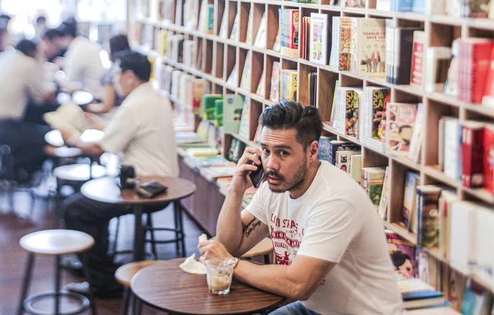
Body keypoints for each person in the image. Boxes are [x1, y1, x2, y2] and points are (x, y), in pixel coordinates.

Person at [199, 101, 403, 315]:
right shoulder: (276, 185)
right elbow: (231, 244)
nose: (270, 165)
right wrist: (235, 189)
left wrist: (230, 264)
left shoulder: (335, 199)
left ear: (312, 151)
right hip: (314, 309)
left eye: (283, 153)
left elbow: (299, 285)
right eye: (266, 151)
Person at [60, 51, 178, 298]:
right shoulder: (155, 96)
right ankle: (98, 268)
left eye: (117, 75)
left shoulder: (134, 105)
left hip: (143, 188)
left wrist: (70, 136)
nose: (114, 80)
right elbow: (132, 131)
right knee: (91, 205)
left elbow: (98, 148)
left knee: (76, 209)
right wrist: (104, 127)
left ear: (130, 76)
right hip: (166, 182)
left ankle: (103, 282)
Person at [0, 39, 56, 182]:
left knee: (30, 126)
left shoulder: (2, 57)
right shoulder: (28, 64)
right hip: (3, 128)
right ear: (33, 52)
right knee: (48, 135)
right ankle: (22, 173)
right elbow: (46, 95)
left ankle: (10, 169)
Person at [60, 18, 106, 100]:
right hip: (100, 93)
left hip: (92, 97)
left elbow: (70, 81)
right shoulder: (84, 43)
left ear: (66, 37)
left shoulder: (76, 51)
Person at [86, 34, 131, 114]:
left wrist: (86, 107)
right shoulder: (129, 69)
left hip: (111, 115)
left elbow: (106, 107)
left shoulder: (114, 73)